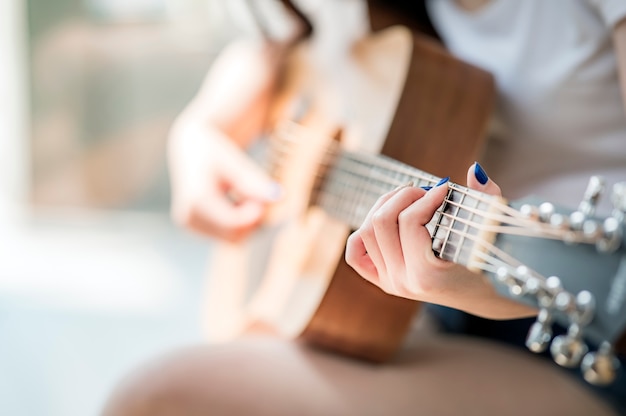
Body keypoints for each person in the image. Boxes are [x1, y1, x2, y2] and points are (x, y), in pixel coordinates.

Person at [102, 0, 626, 415]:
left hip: (584, 341)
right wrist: (201, 127)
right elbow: (280, 37)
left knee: (159, 400)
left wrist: (489, 285)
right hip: (425, 312)